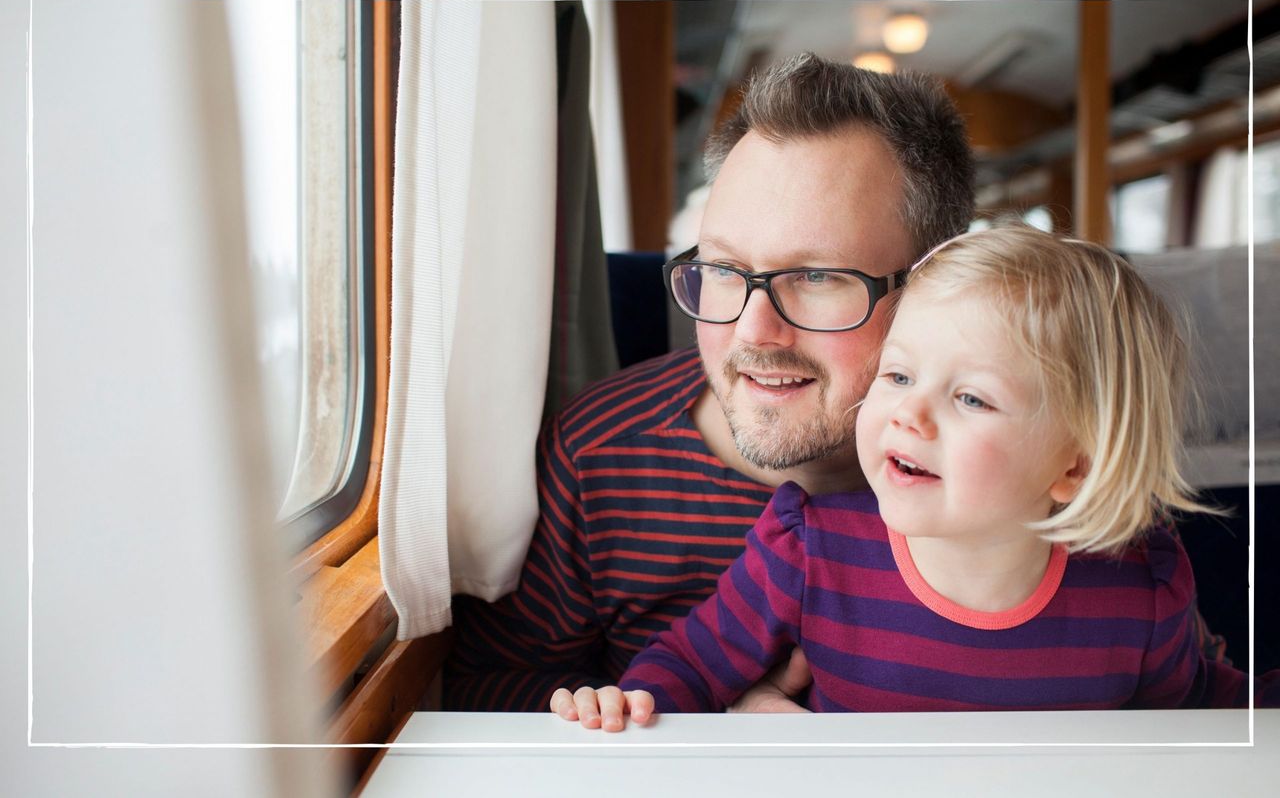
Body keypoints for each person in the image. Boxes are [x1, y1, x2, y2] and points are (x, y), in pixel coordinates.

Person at [551, 225, 1270, 730]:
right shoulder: (808, 550)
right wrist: (629, 706)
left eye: (970, 398)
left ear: (1073, 466)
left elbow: (1204, 718)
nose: (906, 415)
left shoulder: (1139, 586)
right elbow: (689, 667)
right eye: (898, 375)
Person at [442, 52, 977, 711]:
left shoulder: (1037, 460)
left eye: (815, 277)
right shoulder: (600, 456)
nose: (754, 334)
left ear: (935, 285)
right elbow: (489, 690)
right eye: (724, 269)